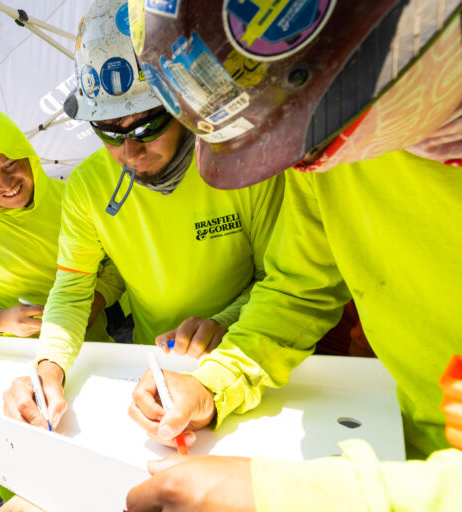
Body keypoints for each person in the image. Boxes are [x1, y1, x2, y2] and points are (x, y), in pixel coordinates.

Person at [125, 2, 462, 510]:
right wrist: (214, 383)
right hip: (412, 454)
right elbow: (297, 290)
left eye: (314, 117)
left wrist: (295, 497)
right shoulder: (325, 158)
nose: (301, 157)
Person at [2, 0, 284, 431]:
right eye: (108, 131)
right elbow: (73, 290)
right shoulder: (87, 185)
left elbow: (283, 278)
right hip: (147, 356)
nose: (129, 152)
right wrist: (48, 366)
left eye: (145, 126)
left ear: (185, 102)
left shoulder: (242, 160)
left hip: (251, 346)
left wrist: (225, 323)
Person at [0, 105, 123, 344]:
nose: (5, 183)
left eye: (10, 164)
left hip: (96, 349)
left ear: (26, 154)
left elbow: (118, 263)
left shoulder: (75, 195)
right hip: (21, 361)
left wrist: (95, 300)